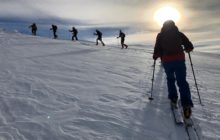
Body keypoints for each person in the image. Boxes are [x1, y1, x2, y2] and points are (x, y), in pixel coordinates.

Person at [153, 20, 194, 119]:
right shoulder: (179, 34)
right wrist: (187, 49)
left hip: (167, 61)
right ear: (174, 25)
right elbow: (189, 46)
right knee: (182, 81)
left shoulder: (160, 35)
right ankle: (186, 104)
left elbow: (157, 48)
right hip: (179, 59)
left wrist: (155, 56)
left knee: (170, 79)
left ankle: (173, 98)